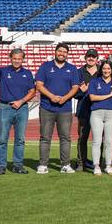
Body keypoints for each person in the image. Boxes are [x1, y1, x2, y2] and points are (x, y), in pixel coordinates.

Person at [0, 47, 35, 175]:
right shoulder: (3, 71)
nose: (17, 61)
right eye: (14, 58)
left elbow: (32, 91)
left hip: (22, 108)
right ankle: (1, 166)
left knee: (20, 139)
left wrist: (21, 102)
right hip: (5, 108)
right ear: (10, 58)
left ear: (23, 59)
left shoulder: (28, 73)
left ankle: (17, 165)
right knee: (2, 139)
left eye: (19, 59)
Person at [35, 43, 80, 174]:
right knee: (45, 137)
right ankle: (43, 165)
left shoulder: (72, 68)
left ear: (67, 54)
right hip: (46, 108)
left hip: (65, 109)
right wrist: (51, 96)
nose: (62, 53)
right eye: (59, 51)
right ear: (55, 52)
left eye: (64, 52)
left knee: (65, 137)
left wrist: (64, 98)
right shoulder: (45, 66)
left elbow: (75, 87)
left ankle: (65, 165)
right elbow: (39, 85)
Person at [87, 60, 112, 176]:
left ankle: (108, 165)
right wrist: (108, 95)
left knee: (109, 141)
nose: (106, 71)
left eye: (108, 69)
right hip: (97, 113)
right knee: (97, 140)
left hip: (111, 114)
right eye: (104, 69)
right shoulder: (94, 81)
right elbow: (92, 97)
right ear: (101, 70)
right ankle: (96, 166)